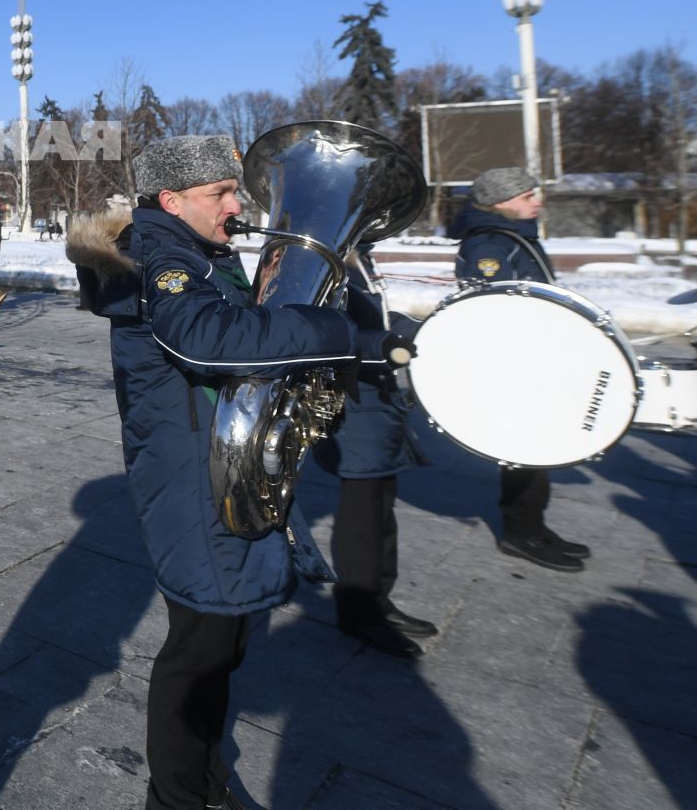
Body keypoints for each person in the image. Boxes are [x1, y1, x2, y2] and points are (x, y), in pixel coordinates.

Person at [69, 135, 393, 810]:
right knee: (200, 647)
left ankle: (205, 774)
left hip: (219, 468)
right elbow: (206, 340)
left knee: (227, 636)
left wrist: (369, 342)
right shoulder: (163, 258)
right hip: (193, 481)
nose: (236, 203)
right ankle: (177, 796)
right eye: (219, 192)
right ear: (172, 200)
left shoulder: (199, 253)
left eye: (233, 189)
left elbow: (262, 329)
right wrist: (330, 337)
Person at [451, 166, 590, 573]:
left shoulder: (514, 235)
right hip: (515, 364)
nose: (538, 200)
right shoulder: (490, 244)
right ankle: (520, 532)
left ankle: (535, 526)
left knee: (539, 449)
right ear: (501, 202)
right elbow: (492, 310)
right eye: (529, 195)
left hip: (535, 357)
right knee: (525, 450)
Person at [314, 248, 438, 658]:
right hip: (352, 408)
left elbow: (376, 320)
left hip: (374, 403)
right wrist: (382, 345)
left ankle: (378, 599)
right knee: (362, 519)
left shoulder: (355, 258)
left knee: (381, 510)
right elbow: (318, 330)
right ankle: (358, 612)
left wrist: (423, 328)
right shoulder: (318, 256)